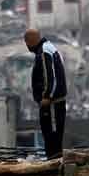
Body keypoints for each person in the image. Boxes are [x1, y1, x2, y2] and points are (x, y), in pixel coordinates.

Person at [24, 28, 67, 158]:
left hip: (52, 102)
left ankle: (54, 162)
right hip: (54, 101)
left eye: (26, 43)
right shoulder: (48, 48)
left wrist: (47, 96)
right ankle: (54, 160)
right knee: (53, 134)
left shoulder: (44, 52)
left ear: (31, 41)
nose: (27, 46)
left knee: (51, 134)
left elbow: (50, 76)